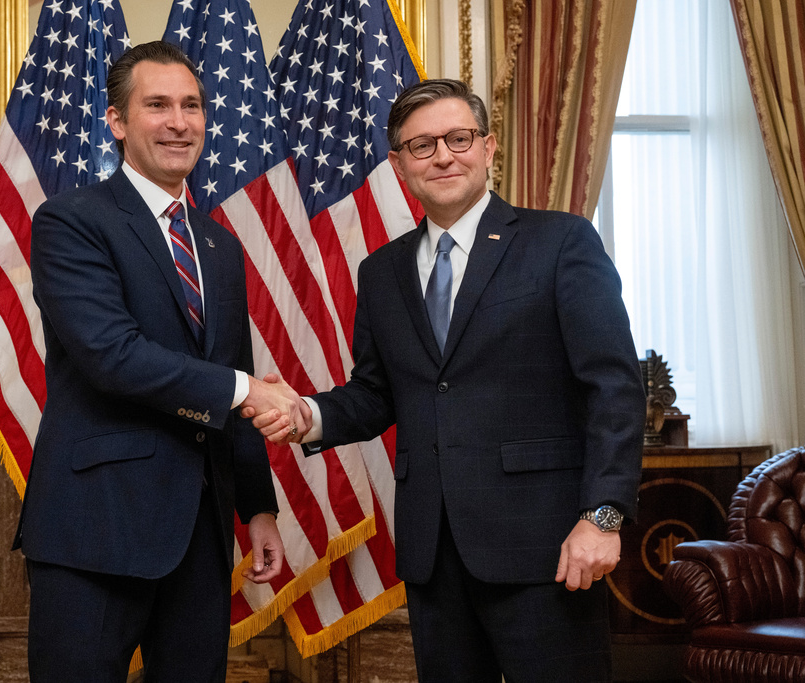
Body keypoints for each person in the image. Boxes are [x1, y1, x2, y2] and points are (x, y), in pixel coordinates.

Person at [248, 79, 644, 681]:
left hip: (550, 547)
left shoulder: (560, 242)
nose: (443, 155)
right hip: (435, 554)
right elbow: (378, 392)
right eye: (422, 144)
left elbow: (614, 389)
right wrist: (308, 413)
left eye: (458, 138)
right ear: (399, 163)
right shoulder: (382, 271)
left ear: (487, 148)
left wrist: (604, 516)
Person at [14, 41, 301, 682]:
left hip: (198, 533)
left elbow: (235, 368)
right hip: (95, 525)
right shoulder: (70, 221)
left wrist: (257, 508)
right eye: (158, 105)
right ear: (117, 122)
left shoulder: (219, 244)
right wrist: (247, 390)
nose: (179, 122)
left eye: (192, 105)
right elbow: (112, 356)